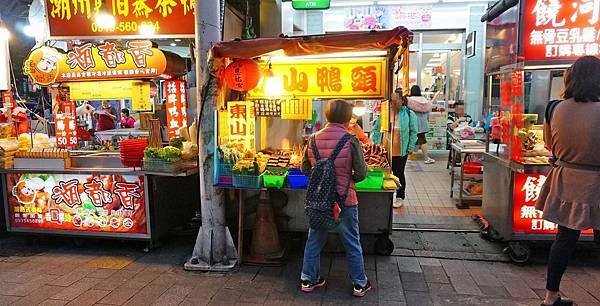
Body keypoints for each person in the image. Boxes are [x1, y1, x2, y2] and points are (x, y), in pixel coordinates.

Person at [536, 56, 600, 306]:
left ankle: (551, 296)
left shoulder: (554, 108)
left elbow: (549, 144)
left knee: (564, 239)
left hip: (568, 179)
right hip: (597, 180)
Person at [300, 99, 371, 297]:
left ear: (327, 116)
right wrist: (346, 179)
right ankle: (359, 283)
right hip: (344, 200)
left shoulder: (312, 139)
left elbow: (305, 169)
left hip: (319, 201)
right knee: (351, 242)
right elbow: (361, 174)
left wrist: (322, 178)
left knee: (314, 239)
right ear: (348, 117)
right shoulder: (351, 140)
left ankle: (308, 279)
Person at [392, 96, 418, 208]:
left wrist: (411, 147)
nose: (393, 102)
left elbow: (414, 131)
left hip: (401, 150)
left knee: (399, 173)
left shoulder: (409, 114)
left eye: (396, 99)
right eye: (391, 99)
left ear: (402, 100)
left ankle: (399, 197)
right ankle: (387, 197)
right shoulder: (386, 112)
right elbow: (378, 128)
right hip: (387, 149)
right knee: (386, 174)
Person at [407, 85, 435, 164]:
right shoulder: (425, 100)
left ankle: (410, 157)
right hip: (423, 124)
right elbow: (428, 112)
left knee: (413, 140)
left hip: (412, 123)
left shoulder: (410, 101)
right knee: (421, 140)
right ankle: (425, 158)